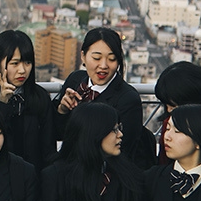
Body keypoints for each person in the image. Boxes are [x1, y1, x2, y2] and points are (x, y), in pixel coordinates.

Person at [55, 28, 151, 168]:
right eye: (96, 58)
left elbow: (124, 152)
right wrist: (62, 110)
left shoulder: (128, 99)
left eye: (112, 59)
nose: (104, 66)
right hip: (69, 168)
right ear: (83, 56)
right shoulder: (75, 81)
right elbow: (58, 133)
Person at [0, 30, 54, 171]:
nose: (22, 70)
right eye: (15, 63)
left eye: (27, 63)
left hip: (32, 178)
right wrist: (1, 103)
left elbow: (47, 149)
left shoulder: (40, 97)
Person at [151, 61, 201, 165]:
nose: (169, 110)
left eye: (173, 105)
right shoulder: (169, 122)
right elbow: (164, 163)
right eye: (166, 105)